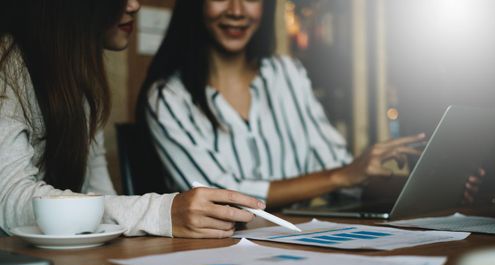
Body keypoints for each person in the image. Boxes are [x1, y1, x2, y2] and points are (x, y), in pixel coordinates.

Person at [137, 0, 442, 209]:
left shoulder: (288, 74)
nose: (236, 10)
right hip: (218, 255)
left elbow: (344, 173)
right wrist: (342, 175)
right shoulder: (167, 98)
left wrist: (425, 189)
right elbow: (217, 196)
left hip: (304, 243)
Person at [0, 0, 266, 239]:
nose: (134, 5)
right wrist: (161, 213)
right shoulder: (7, 64)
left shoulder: (81, 80)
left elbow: (99, 197)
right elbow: (8, 200)